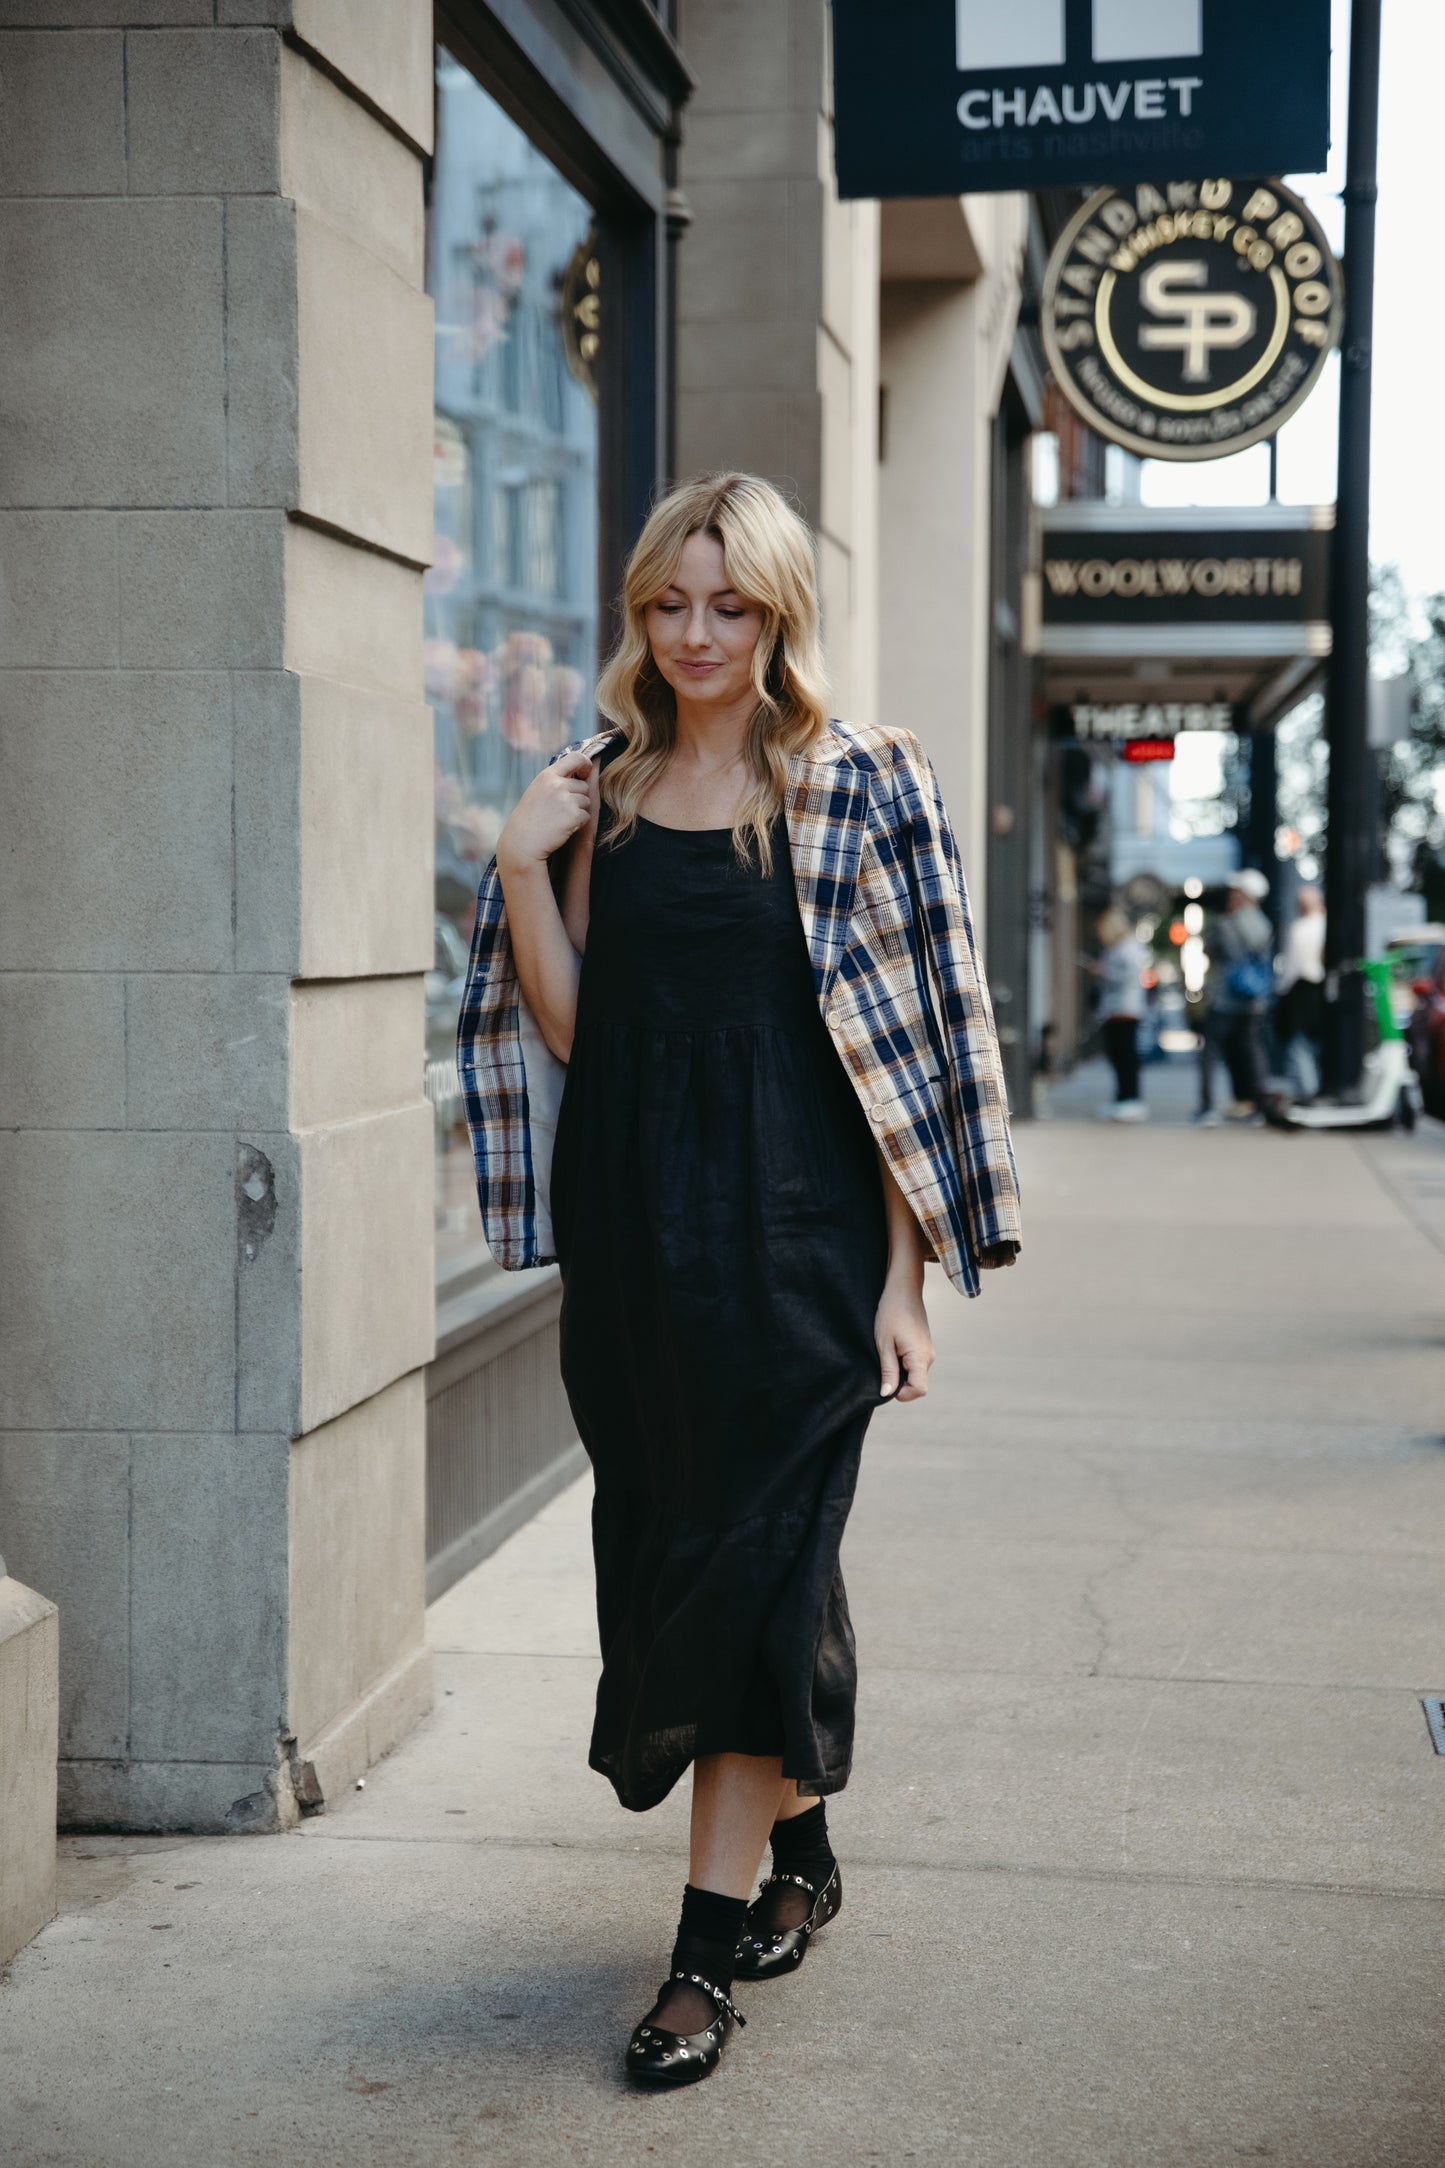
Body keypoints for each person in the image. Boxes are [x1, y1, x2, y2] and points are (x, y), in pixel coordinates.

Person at [456, 472, 1021, 2087]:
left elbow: (915, 1037)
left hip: (805, 1240)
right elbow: (575, 1031)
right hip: (641, 1238)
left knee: (758, 1558)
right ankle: (807, 1849)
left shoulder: (859, 780)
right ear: (638, 612)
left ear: (779, 614)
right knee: (683, 1557)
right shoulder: (604, 787)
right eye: (668, 603)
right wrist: (516, 866)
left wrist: (905, 1280)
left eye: (731, 605)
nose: (697, 634)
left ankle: (699, 1961)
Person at [1194, 868, 1274, 1125]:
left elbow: (1214, 951)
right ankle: (1257, 1106)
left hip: (1225, 998)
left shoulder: (1227, 923)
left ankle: (1207, 1107)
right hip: (1253, 999)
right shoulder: (1264, 924)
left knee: (1212, 1053)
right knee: (1251, 1052)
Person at [1093, 907, 1148, 1121]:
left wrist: (1105, 971)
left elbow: (1129, 978)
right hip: (1114, 1009)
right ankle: (1123, 1098)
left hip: (1125, 1009)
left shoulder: (1129, 949)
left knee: (1125, 1056)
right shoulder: (1119, 948)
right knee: (1118, 1056)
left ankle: (1130, 1099)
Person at [1275, 883, 1326, 1100]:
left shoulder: (1299, 929)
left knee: (1300, 1044)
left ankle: (1309, 1090)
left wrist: (1280, 992)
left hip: (1301, 991)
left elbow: (1291, 968)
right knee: (1316, 1043)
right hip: (1322, 992)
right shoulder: (1327, 926)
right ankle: (1315, 1087)